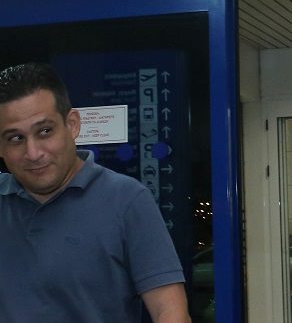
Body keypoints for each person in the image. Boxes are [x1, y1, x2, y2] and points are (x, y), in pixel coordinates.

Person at [0, 62, 190, 323]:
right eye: (16, 138)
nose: (33, 153)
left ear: (72, 125)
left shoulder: (126, 201)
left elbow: (170, 312)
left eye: (45, 131)